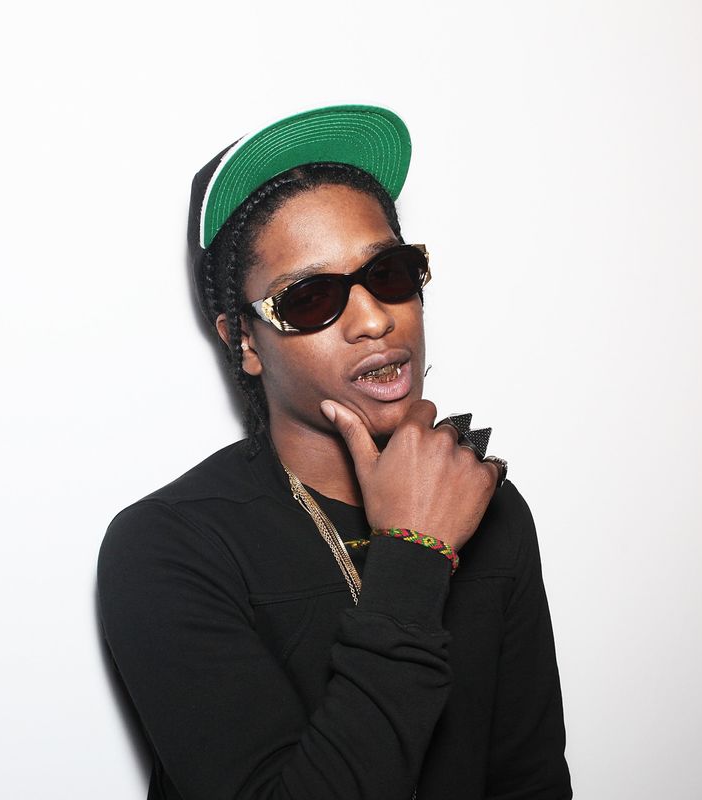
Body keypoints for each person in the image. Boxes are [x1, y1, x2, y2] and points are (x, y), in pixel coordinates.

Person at [98, 105, 572, 800]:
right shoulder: (170, 547)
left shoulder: (482, 500)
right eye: (311, 298)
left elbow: (530, 784)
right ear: (245, 342)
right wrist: (414, 555)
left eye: (390, 272)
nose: (375, 319)